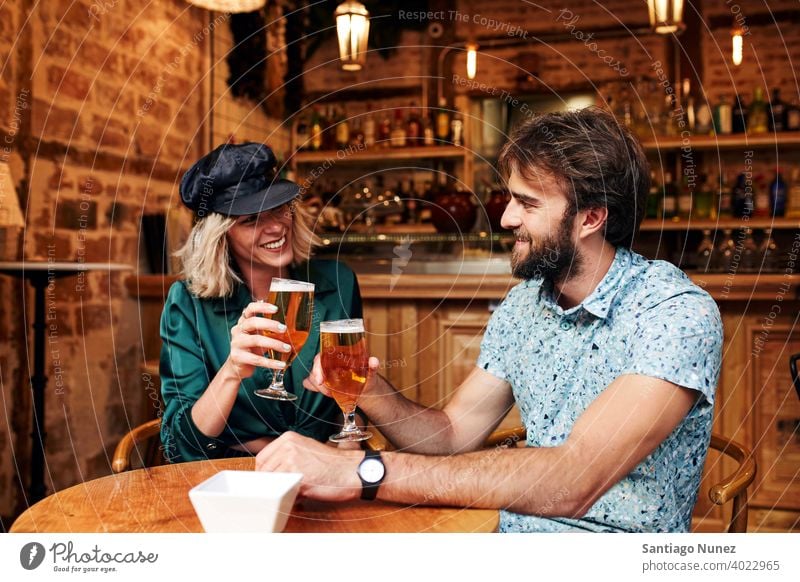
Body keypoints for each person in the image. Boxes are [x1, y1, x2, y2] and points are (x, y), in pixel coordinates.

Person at [255, 108, 724, 533]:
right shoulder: (524, 306)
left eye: (528, 203)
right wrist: (369, 391)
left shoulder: (674, 314)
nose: (505, 217)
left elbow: (576, 479)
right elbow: (454, 436)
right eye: (509, 198)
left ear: (591, 218)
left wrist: (362, 472)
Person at [160, 142, 362, 463]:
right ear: (221, 235)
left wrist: (347, 455)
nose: (276, 227)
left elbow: (350, 396)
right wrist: (231, 371)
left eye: (280, 208)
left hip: (326, 469)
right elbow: (180, 444)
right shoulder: (187, 303)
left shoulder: (338, 281)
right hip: (234, 477)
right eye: (251, 220)